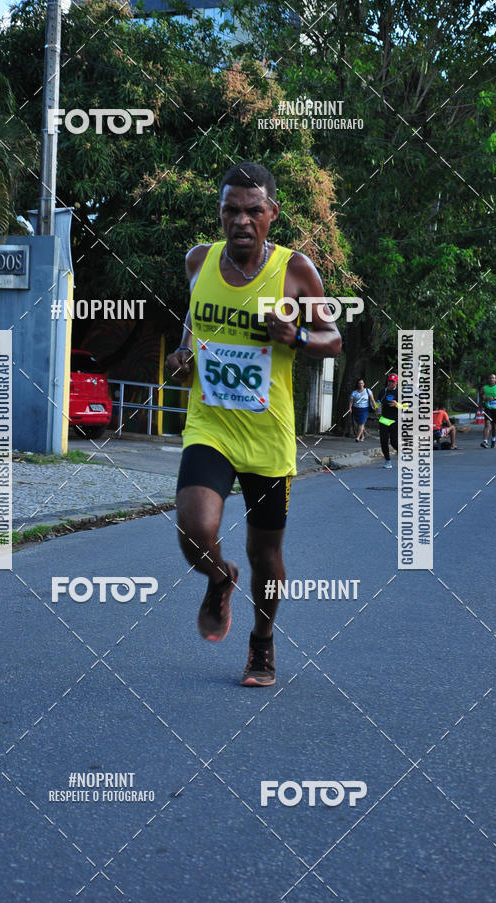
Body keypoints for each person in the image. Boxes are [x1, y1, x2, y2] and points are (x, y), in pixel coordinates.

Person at [165, 162, 341, 687]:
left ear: (272, 214)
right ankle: (220, 579)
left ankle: (262, 644)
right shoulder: (200, 261)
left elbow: (333, 339)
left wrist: (298, 338)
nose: (241, 220)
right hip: (211, 426)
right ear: (220, 213)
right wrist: (182, 352)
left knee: (265, 554)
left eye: (253, 210)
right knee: (195, 529)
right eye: (230, 210)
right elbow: (194, 318)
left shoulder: (295, 271)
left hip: (268, 436)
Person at [377, 373, 404, 468]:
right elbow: (378, 402)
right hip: (384, 419)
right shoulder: (383, 391)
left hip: (395, 419)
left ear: (396, 382)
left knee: (393, 441)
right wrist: (377, 407)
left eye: (392, 381)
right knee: (383, 440)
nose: (390, 383)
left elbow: (407, 407)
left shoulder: (400, 393)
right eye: (389, 381)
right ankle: (387, 461)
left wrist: (397, 404)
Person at [479, 374, 496, 448]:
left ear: (495, 379)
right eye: (490, 378)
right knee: (487, 424)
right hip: (487, 408)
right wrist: (484, 400)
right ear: (488, 379)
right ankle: (485, 441)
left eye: (493, 378)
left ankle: (493, 440)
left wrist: (494, 398)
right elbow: (481, 397)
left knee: (494, 426)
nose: (492, 379)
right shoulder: (484, 388)